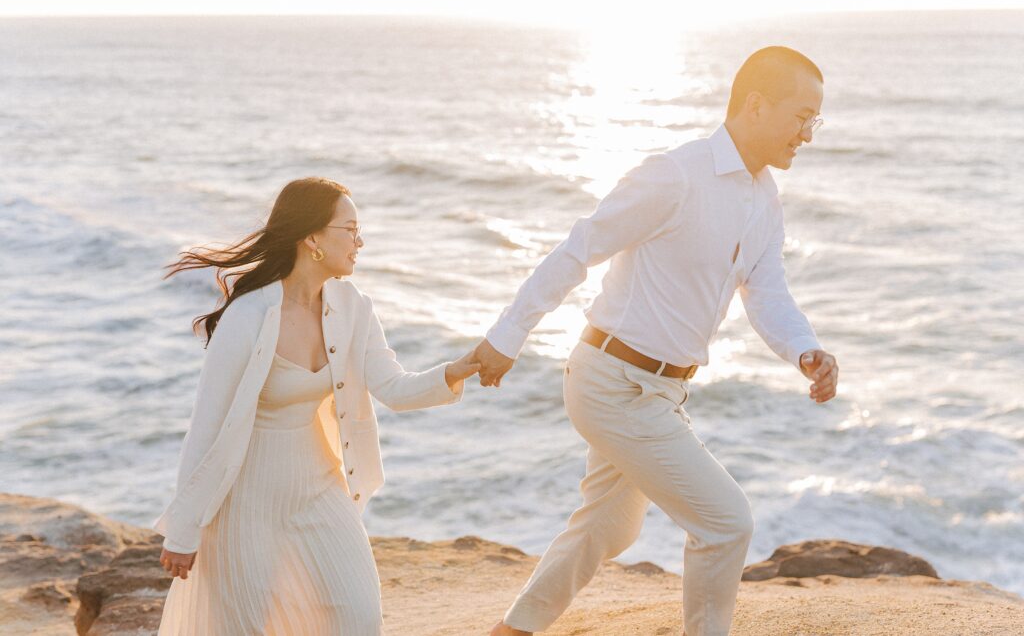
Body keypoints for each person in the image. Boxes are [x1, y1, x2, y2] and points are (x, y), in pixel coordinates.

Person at [479, 46, 840, 636]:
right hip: (612, 382)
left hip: (659, 393)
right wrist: (506, 337)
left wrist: (805, 349)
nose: (808, 134)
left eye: (814, 120)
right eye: (802, 116)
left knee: (608, 527)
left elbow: (767, 292)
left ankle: (514, 630)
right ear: (755, 105)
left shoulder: (764, 197)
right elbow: (580, 249)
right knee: (726, 522)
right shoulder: (674, 175)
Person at [153, 177, 479, 635]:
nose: (359, 241)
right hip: (246, 500)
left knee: (358, 619)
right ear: (312, 239)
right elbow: (206, 427)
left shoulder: (353, 307)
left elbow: (394, 387)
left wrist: (457, 369)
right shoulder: (249, 316)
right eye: (350, 228)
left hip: (321, 489)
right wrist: (183, 530)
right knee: (245, 628)